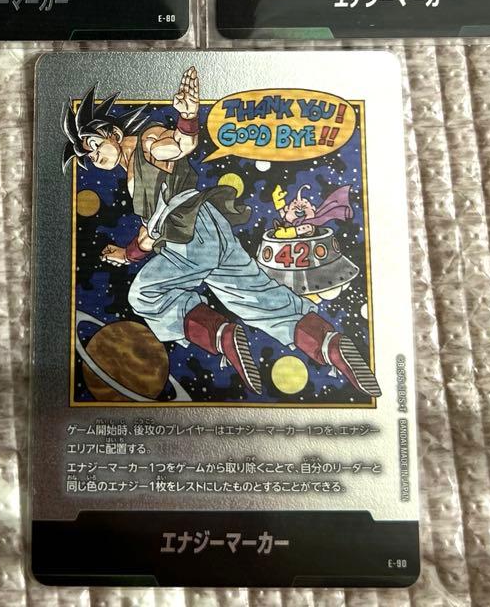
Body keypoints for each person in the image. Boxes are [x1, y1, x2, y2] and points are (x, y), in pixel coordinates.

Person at [62, 67, 381, 397]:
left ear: (113, 133)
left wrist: (188, 118)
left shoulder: (146, 143)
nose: (94, 156)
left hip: (190, 234)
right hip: (209, 227)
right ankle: (329, 344)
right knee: (256, 297)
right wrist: (127, 254)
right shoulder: (132, 170)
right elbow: (149, 233)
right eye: (88, 156)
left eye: (93, 144)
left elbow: (178, 145)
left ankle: (221, 335)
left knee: (145, 293)